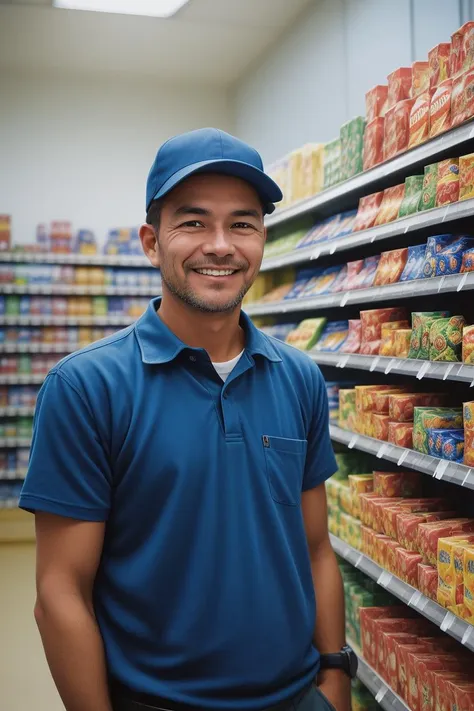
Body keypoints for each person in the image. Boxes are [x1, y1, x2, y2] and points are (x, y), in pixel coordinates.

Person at [19, 128, 356, 711]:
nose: (221, 245)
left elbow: (315, 547)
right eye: (193, 222)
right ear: (152, 242)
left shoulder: (298, 377)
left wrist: (335, 677)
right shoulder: (86, 387)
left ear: (261, 239)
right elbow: (60, 591)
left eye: (243, 223)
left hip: (298, 695)